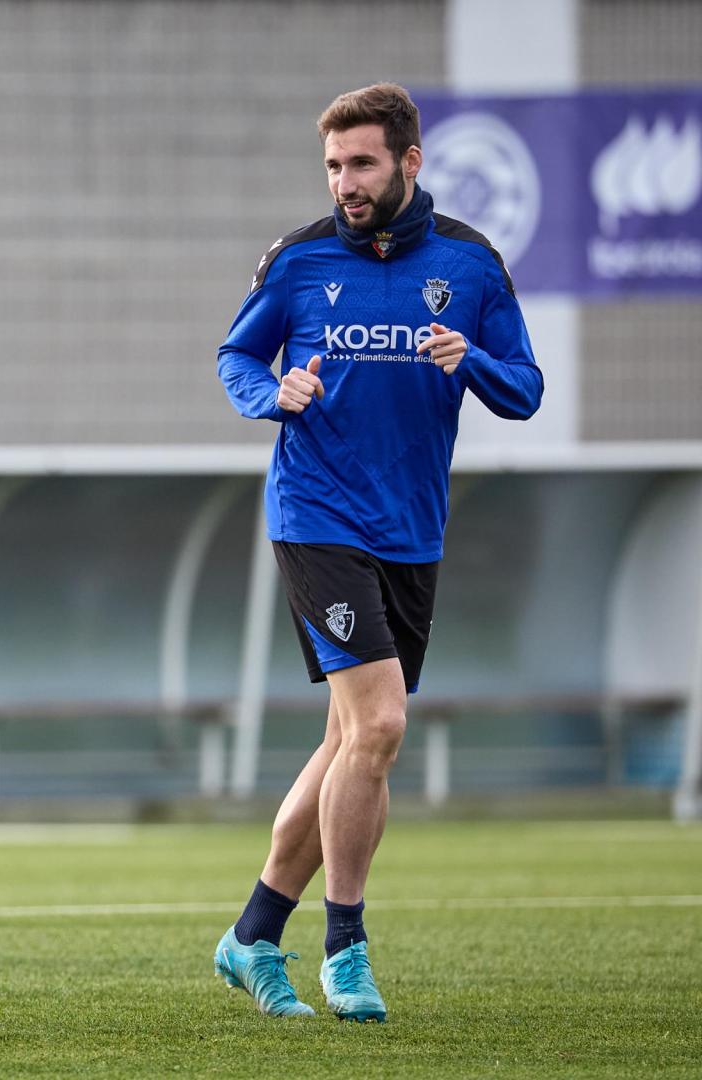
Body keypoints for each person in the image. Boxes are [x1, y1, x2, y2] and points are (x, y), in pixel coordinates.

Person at [212, 82, 542, 1024]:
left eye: (360, 163)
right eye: (332, 166)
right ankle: (345, 945)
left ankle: (250, 935)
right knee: (382, 725)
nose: (345, 182)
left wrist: (466, 360)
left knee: (349, 742)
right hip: (315, 515)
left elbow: (523, 388)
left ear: (410, 162)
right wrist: (273, 394)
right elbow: (236, 357)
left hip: (412, 531)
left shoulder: (471, 266)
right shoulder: (301, 257)